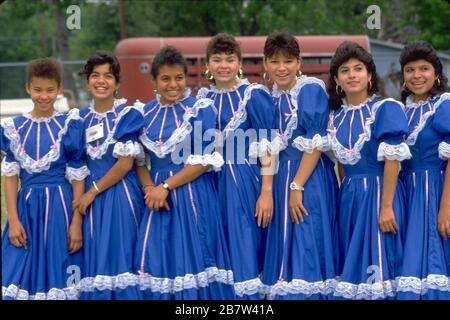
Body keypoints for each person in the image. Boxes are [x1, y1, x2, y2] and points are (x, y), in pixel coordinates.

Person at [134, 45, 234, 299]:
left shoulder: (200, 108)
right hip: (156, 200)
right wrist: (149, 189)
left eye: (178, 77)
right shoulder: (142, 114)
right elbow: (138, 161)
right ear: (155, 80)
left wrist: (165, 187)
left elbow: (203, 162)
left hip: (192, 194)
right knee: (158, 260)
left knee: (196, 259)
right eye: (165, 78)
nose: (173, 84)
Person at [197, 33, 280, 299]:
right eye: (217, 59)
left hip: (243, 180)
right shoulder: (201, 99)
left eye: (230, 59)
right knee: (216, 247)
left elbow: (267, 146)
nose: (223, 65)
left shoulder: (253, 94)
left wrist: (267, 192)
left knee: (244, 245)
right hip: (209, 184)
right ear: (207, 65)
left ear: (239, 63)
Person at [327, 42, 411, 300]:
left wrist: (386, 207)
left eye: (358, 69)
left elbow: (392, 162)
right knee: (353, 272)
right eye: (345, 70)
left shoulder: (384, 109)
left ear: (370, 75)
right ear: (337, 79)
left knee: (379, 267)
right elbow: (342, 164)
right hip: (350, 198)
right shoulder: (334, 117)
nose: (352, 75)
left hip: (379, 196)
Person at [260, 32, 338, 300]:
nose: (281, 68)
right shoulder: (268, 97)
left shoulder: (310, 89)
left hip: (308, 177)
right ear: (265, 64)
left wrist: (297, 186)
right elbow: (268, 146)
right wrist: (268, 190)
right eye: (274, 61)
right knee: (284, 246)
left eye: (288, 61)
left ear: (298, 62)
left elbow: (315, 144)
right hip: (281, 177)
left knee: (307, 239)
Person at [1, 57, 88, 299]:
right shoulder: (14, 128)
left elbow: (78, 177)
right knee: (17, 267)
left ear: (59, 90)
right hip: (27, 210)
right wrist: (14, 220)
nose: (43, 96)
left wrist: (76, 223)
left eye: (50, 90)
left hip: (61, 209)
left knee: (60, 270)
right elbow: (10, 177)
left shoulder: (68, 125)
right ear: (28, 88)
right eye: (37, 90)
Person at [75, 52, 145, 300]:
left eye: (108, 75)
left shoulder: (128, 115)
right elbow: (75, 166)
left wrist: (91, 192)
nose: (101, 81)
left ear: (116, 82)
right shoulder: (77, 119)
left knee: (122, 258)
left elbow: (125, 164)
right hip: (89, 203)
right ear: (87, 81)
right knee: (96, 260)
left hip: (121, 197)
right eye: (95, 75)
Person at [395, 41, 450, 299]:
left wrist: (446, 206)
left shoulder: (443, 105)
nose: (417, 75)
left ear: (436, 73)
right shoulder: (400, 111)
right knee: (409, 262)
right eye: (410, 69)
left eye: (424, 68)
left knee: (434, 260)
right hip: (407, 194)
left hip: (435, 190)